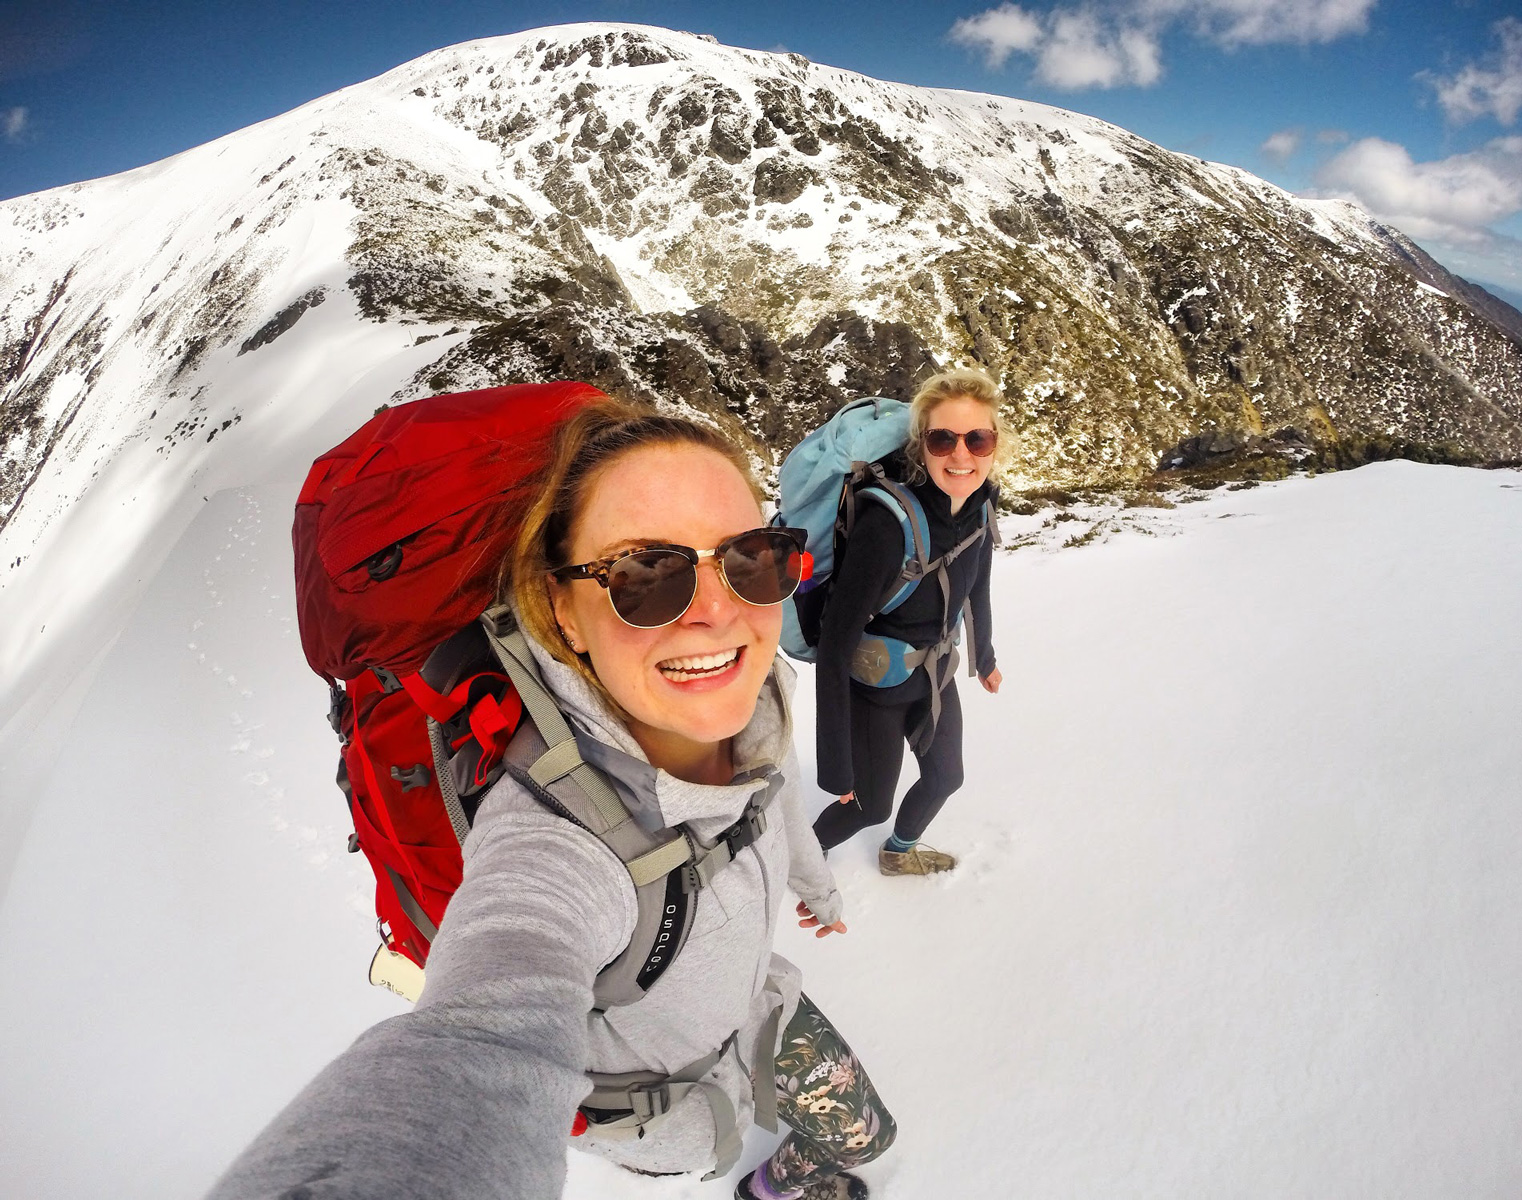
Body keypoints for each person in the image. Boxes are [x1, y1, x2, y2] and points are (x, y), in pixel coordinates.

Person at [209, 401, 895, 1200]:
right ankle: (770, 1185)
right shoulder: (556, 842)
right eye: (648, 574)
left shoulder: (753, 693)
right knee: (736, 1155)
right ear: (562, 610)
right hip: (669, 1113)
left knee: (872, 1134)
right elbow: (479, 1037)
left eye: (753, 559)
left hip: (763, 1010)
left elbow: (766, 791)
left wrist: (815, 883)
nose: (720, 610)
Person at [811, 369, 1006, 875]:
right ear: (922, 445)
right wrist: (836, 767)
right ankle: (800, 856)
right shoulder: (886, 526)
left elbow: (977, 583)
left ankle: (898, 854)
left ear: (994, 444)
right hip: (875, 687)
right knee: (867, 805)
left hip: (935, 672)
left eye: (977, 439)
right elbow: (834, 641)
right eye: (943, 439)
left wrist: (984, 656)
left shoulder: (982, 506)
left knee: (945, 777)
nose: (961, 456)